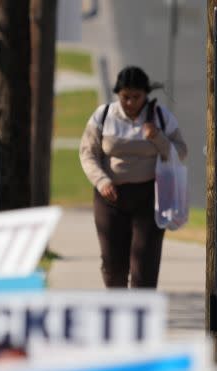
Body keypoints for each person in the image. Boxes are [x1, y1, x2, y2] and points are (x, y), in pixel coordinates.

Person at [79, 66, 188, 288]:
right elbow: (87, 153)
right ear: (118, 94)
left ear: (146, 94)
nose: (130, 102)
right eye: (125, 96)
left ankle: (142, 314)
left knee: (145, 265)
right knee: (113, 265)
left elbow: (181, 151)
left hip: (149, 197)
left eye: (136, 97)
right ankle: (118, 313)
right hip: (110, 197)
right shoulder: (104, 116)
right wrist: (102, 181)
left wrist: (157, 137)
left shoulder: (161, 117)